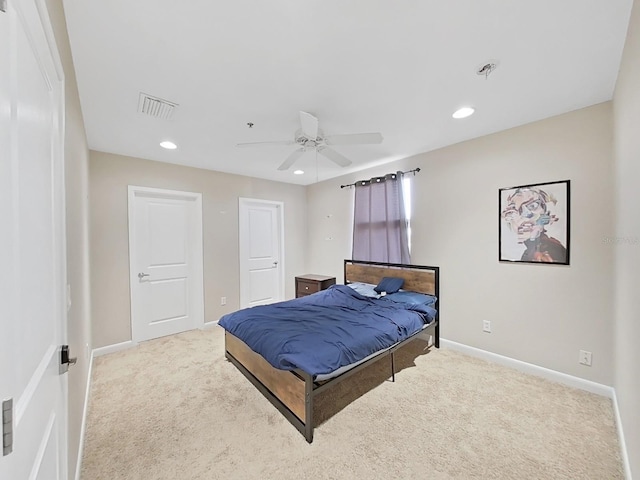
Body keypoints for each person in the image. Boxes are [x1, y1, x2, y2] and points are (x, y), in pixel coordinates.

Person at [501, 186, 567, 263]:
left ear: (545, 211)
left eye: (532, 206)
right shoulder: (525, 253)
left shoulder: (550, 251)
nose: (524, 215)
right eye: (512, 211)